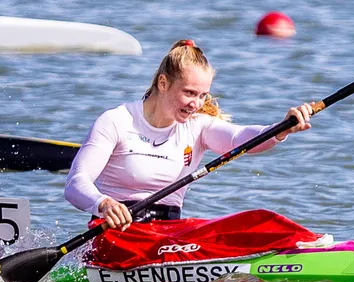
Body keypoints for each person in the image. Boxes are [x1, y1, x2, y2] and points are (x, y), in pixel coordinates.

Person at [65, 39, 314, 230]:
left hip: (169, 235)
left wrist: (282, 128)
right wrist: (103, 203)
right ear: (163, 84)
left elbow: (241, 138)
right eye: (189, 93)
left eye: (203, 95)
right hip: (115, 233)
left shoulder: (197, 127)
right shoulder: (117, 121)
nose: (196, 104)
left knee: (256, 221)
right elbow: (76, 183)